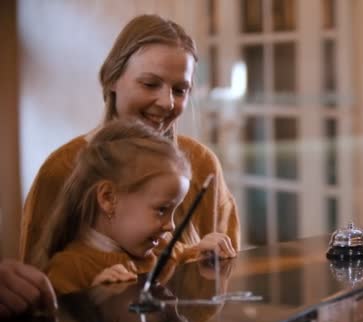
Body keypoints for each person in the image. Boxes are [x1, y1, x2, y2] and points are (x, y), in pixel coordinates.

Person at [19, 14, 240, 264]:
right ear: (111, 78)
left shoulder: (202, 164)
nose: (167, 102)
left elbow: (227, 274)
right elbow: (36, 286)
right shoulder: (61, 170)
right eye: (149, 84)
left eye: (180, 90)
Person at [34, 120, 234, 295]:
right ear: (108, 198)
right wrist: (94, 299)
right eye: (162, 210)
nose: (171, 227)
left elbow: (183, 254)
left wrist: (203, 251)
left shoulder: (159, 248)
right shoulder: (67, 271)